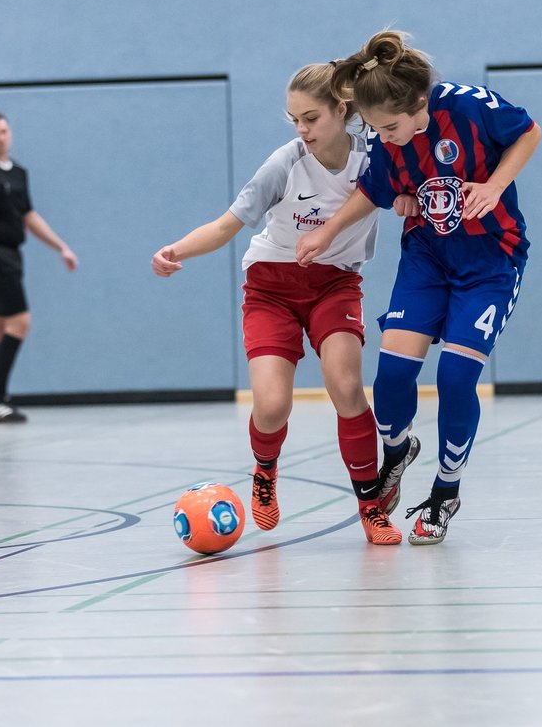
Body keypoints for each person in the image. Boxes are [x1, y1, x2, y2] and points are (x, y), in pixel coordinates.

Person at [296, 31, 542, 545]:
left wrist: (495, 186)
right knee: (389, 377)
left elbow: (529, 132)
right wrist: (327, 230)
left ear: (420, 105)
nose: (383, 138)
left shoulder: (471, 108)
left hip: (490, 261)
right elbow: (375, 190)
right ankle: (398, 451)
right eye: (375, 129)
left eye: (390, 127)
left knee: (454, 378)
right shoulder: (390, 142)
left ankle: (445, 491)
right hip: (427, 260)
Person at [151, 63, 410, 545]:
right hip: (271, 287)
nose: (302, 129)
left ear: (342, 109)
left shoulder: (374, 156)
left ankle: (370, 505)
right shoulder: (284, 164)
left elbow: (412, 177)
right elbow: (228, 225)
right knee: (271, 406)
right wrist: (175, 251)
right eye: (294, 119)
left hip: (335, 284)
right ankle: (265, 472)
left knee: (347, 387)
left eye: (311, 117)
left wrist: (411, 198)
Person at [0, 112, 78, 423]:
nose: (0, 138)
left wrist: (61, 246)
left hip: (12, 254)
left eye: (4, 131)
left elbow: (29, 217)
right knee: (20, 321)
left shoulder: (19, 173)